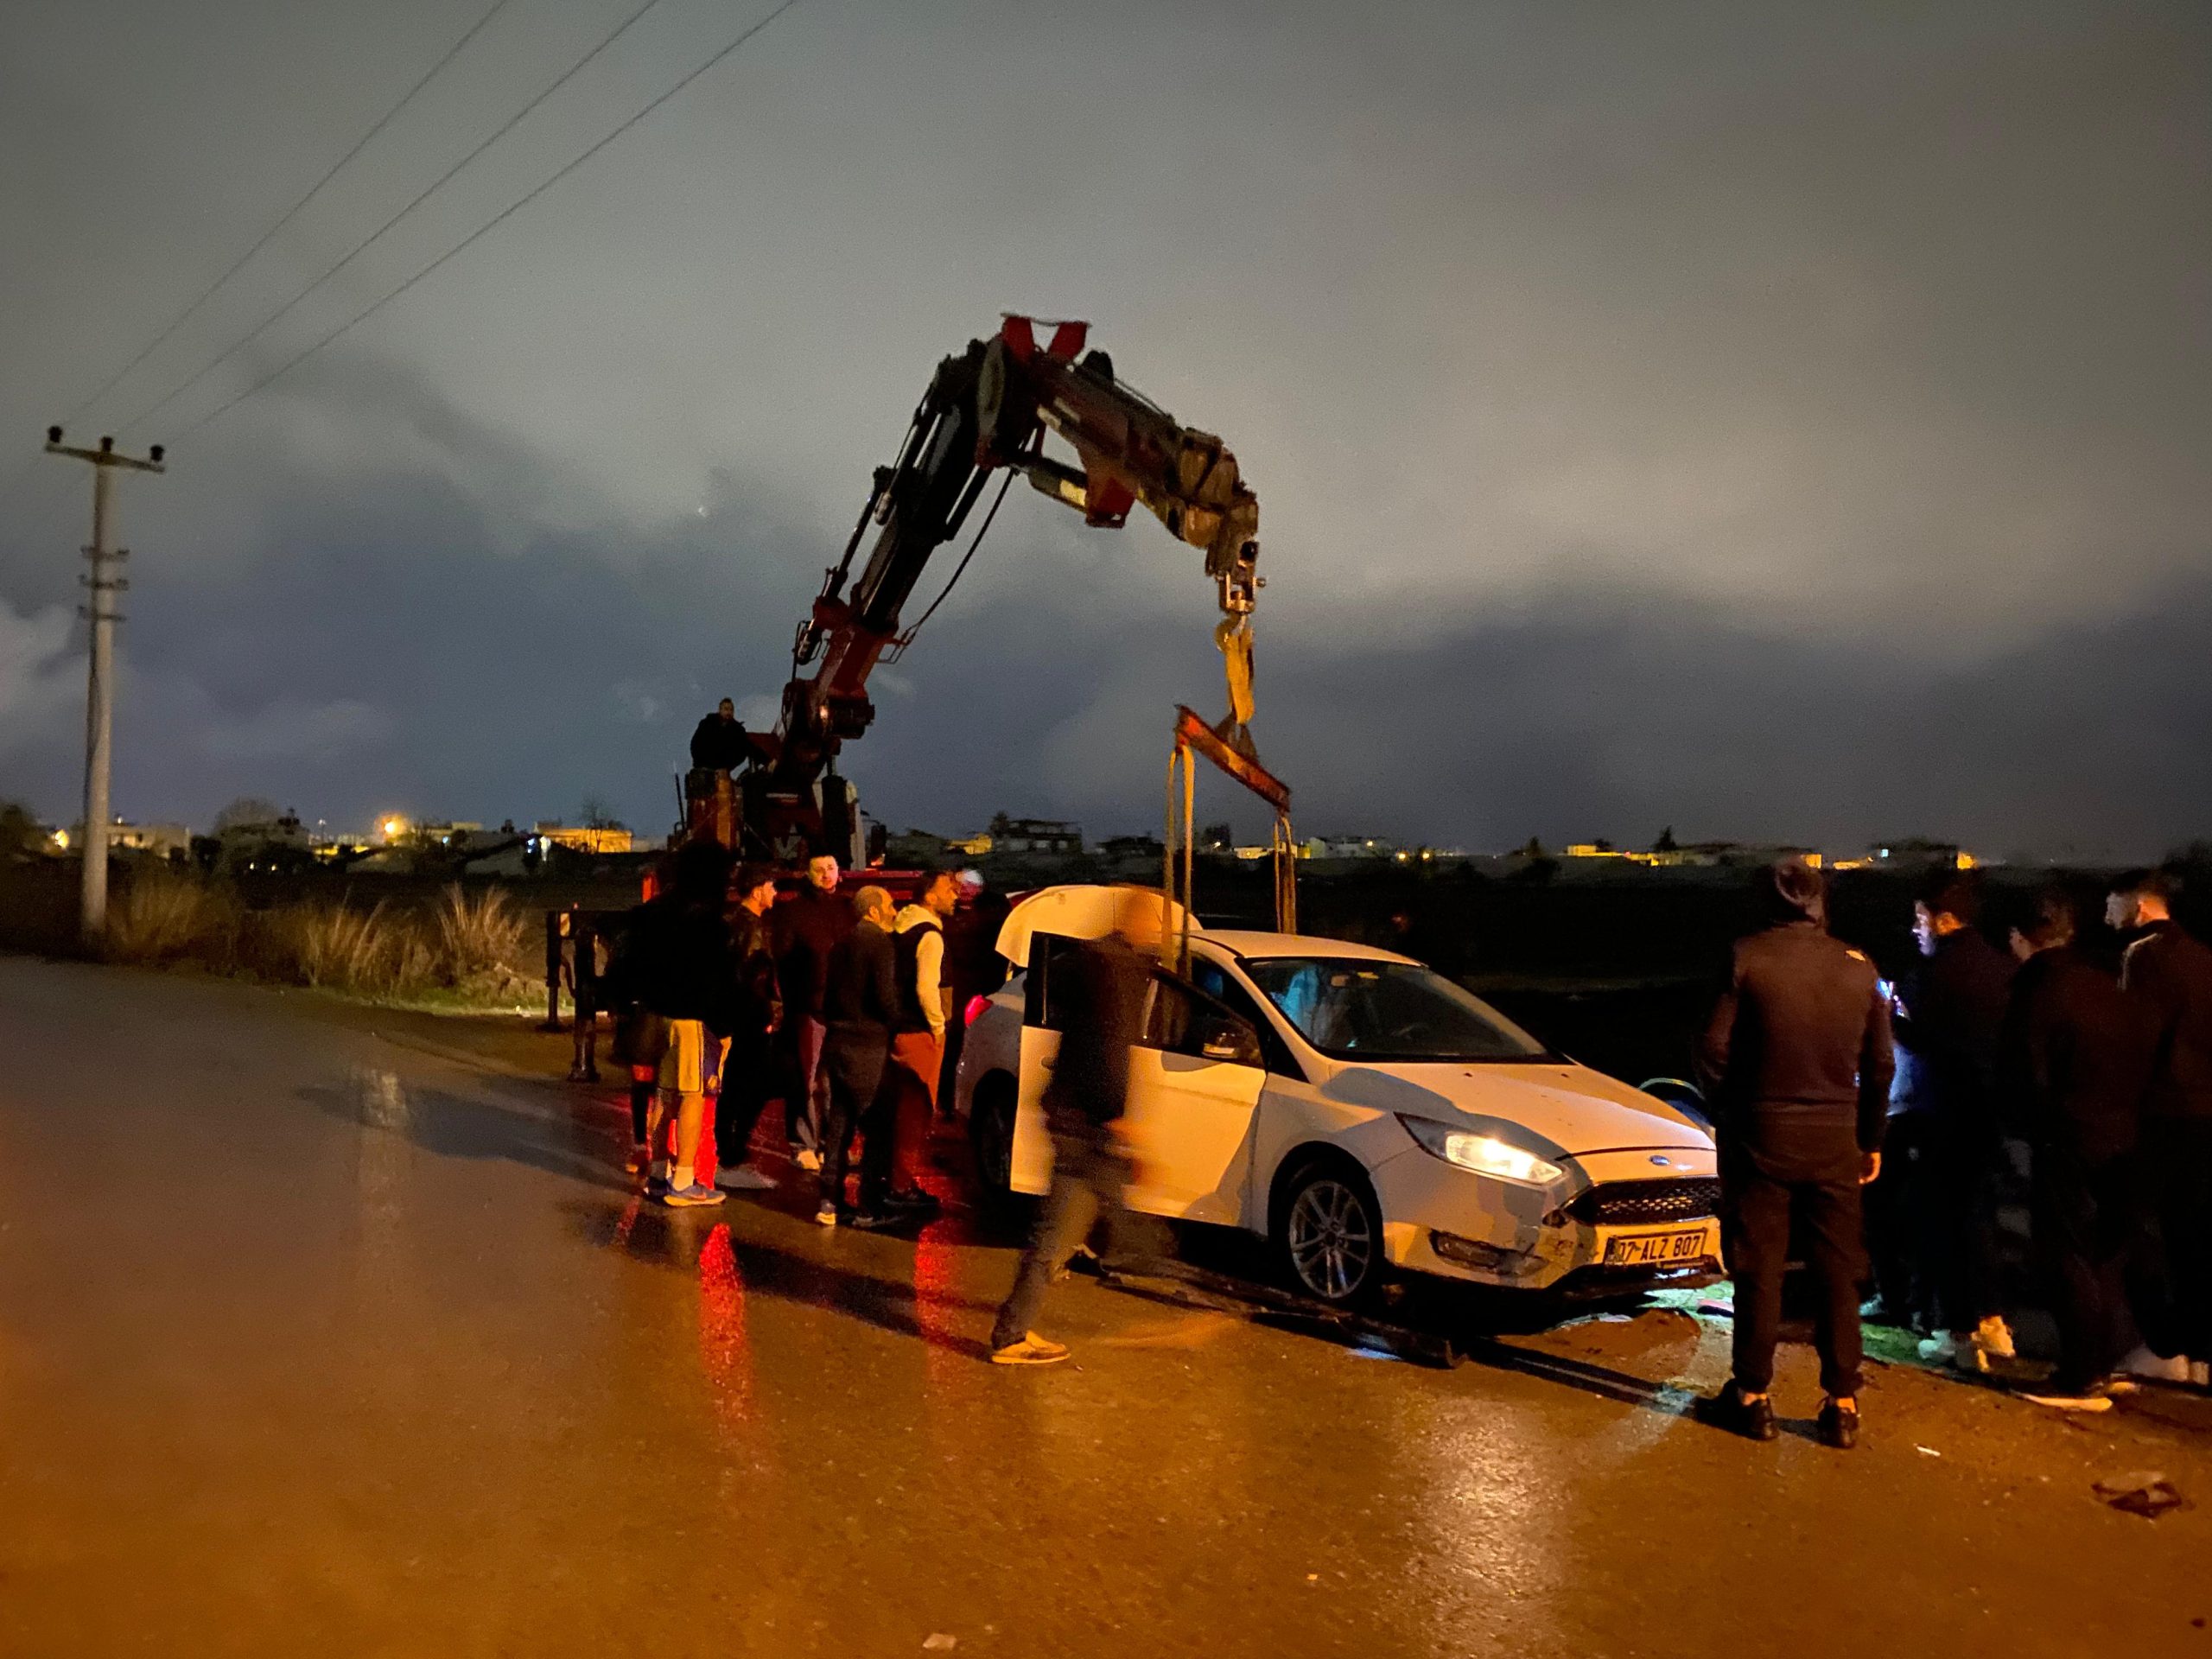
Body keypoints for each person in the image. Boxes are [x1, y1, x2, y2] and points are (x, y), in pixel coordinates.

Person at [1694, 857, 1892, 1448]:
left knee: (1761, 1262)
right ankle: (1843, 1402)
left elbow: (1711, 1048)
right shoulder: (1859, 966)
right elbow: (1880, 1063)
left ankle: (1753, 1396)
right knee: (1838, 1267)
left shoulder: (1747, 957)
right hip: (1836, 1136)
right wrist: (1870, 1136)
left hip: (1764, 1130)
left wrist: (1732, 1110)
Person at [989, 887, 1161, 1366]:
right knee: (1060, 1226)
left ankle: (1160, 1280)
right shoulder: (1118, 970)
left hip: (1074, 1113)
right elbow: (1108, 1050)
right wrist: (1115, 1115)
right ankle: (1010, 1335)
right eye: (1157, 921)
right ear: (1139, 920)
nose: (1161, 933)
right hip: (1084, 1121)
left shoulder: (1097, 960)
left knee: (1105, 1209)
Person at [2000, 888, 2153, 1410]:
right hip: (2123, 1134)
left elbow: (2026, 1074)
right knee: (2106, 1253)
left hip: (2066, 1137)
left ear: (2021, 939)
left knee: (2066, 1252)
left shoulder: (2039, 990)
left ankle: (2079, 1373)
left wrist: (2024, 1130)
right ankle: (2104, 1359)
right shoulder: (2107, 981)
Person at [1891, 871, 2018, 1370]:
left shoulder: (1933, 974)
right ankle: (1994, 1324)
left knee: (1941, 1222)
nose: (1915, 930)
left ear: (1943, 920)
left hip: (1939, 1116)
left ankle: (1956, 1332)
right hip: (1990, 1115)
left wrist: (1890, 1019)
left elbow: (1928, 1042)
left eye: (1920, 919)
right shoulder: (2003, 969)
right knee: (1982, 1220)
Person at [2111, 869, 2212, 1388]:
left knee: (2147, 1232)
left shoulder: (2143, 956)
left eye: (2113, 903)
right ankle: (2200, 1349)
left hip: (2160, 1112)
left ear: (2139, 906)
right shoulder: (2202, 956)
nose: (2107, 915)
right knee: (2194, 1234)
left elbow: (2135, 1038)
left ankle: (2164, 1345)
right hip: (2204, 1112)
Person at [620, 838, 745, 1207]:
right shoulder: (708, 921)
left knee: (661, 1096)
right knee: (692, 1099)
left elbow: (628, 966)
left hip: (654, 1015)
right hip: (690, 1019)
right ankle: (685, 1180)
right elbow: (719, 980)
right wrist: (725, 1029)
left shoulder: (651, 913)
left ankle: (658, 1175)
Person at [816, 885, 902, 1228]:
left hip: (838, 1041)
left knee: (839, 1123)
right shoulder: (878, 942)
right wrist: (900, 1021)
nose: (895, 911)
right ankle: (869, 1207)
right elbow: (884, 998)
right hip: (868, 1044)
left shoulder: (842, 944)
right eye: (891, 904)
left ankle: (829, 1201)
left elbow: (828, 997)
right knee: (879, 1126)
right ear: (874, 911)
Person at [880, 871, 961, 1214]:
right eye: (948, 889)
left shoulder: (900, 929)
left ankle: (890, 1178)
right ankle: (901, 1186)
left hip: (896, 1029)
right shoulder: (930, 936)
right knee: (915, 1112)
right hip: (919, 1033)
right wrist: (938, 1027)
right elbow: (926, 987)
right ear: (929, 896)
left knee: (896, 1110)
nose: (956, 895)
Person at [773, 852, 853, 1172]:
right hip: (810, 1009)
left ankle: (832, 1145)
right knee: (808, 1080)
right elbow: (782, 960)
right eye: (819, 870)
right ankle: (803, 1143)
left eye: (831, 869)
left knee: (838, 1082)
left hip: (844, 1010)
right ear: (808, 874)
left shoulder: (848, 910)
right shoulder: (793, 912)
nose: (826, 875)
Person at [713, 862, 785, 1192]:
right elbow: (753, 977)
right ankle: (732, 1158)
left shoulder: (734, 923)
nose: (775, 893)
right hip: (751, 1021)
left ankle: (731, 1154)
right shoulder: (750, 928)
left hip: (740, 1019)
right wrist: (765, 1017)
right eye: (771, 886)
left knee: (740, 1088)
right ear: (757, 890)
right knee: (750, 1087)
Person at [938, 871, 1010, 1109]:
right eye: (961, 886)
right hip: (956, 990)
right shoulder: (949, 917)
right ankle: (946, 1099)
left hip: (981, 990)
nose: (964, 891)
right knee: (952, 1045)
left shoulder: (989, 917)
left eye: (970, 886)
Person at [689, 698, 753, 774]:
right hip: (703, 769)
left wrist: (767, 762)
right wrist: (701, 764)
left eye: (731, 710)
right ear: (720, 710)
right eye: (726, 709)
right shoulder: (707, 724)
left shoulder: (737, 730)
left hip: (723, 772)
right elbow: (696, 744)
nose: (729, 712)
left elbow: (748, 747)